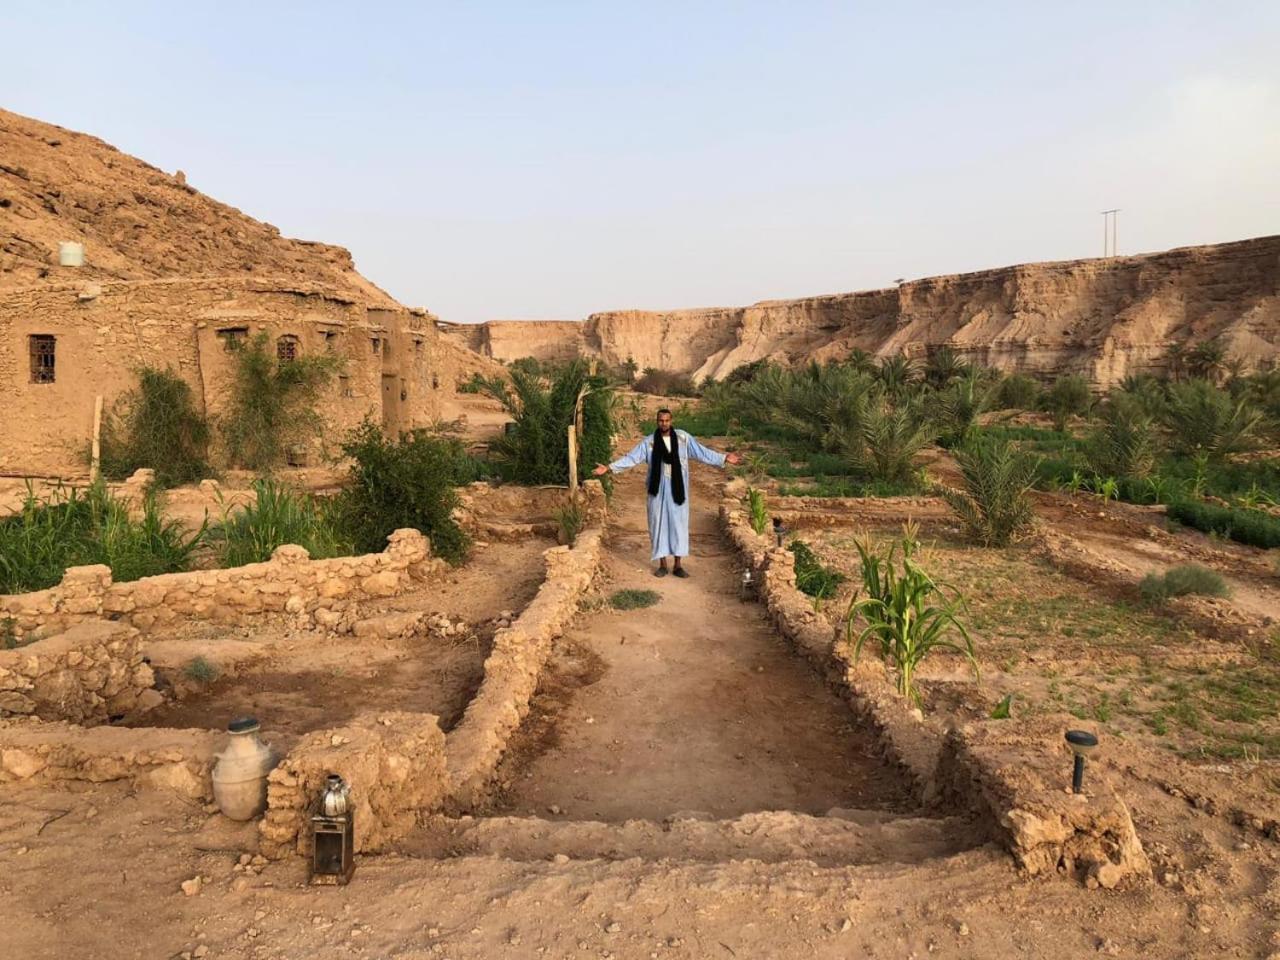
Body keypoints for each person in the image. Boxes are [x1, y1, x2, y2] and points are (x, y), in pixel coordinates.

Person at [593, 408, 741, 577]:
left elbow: (702, 453)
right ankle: (662, 564)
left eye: (667, 420)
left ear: (671, 421)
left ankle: (678, 565)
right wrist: (609, 468)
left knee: (679, 525)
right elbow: (631, 458)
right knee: (658, 525)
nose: (664, 423)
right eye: (660, 421)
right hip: (656, 492)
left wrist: (723, 458)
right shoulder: (649, 443)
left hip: (678, 490)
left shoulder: (683, 438)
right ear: (657, 422)